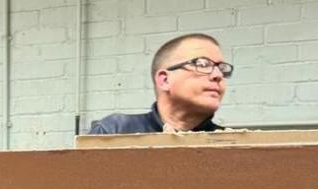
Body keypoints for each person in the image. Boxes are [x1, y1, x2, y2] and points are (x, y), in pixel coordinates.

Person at [88, 33, 230, 135]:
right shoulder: (115, 132)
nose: (218, 75)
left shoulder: (233, 146)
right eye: (202, 64)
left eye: (222, 68)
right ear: (164, 80)